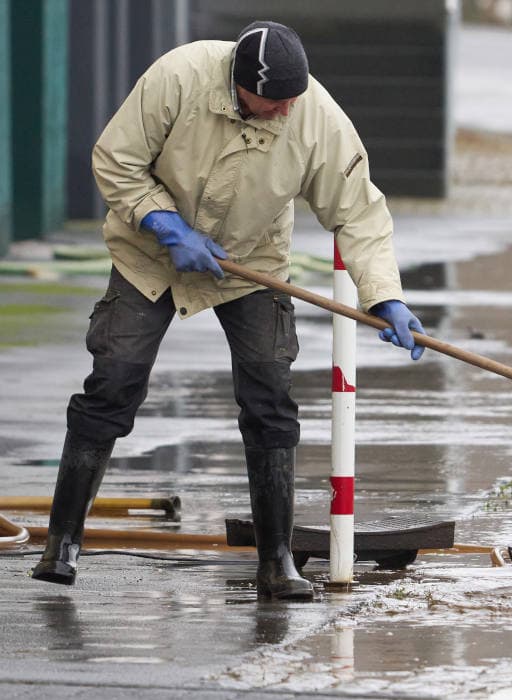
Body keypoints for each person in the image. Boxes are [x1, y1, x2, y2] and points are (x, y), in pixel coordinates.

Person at [30, 20, 425, 600]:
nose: (286, 111)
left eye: (293, 99)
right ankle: (62, 542)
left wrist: (385, 295)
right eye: (274, 102)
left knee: (270, 399)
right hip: (149, 255)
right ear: (239, 85)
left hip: (251, 262)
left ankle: (277, 561)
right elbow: (116, 159)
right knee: (113, 382)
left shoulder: (316, 118)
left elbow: (359, 213)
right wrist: (166, 225)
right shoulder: (178, 77)